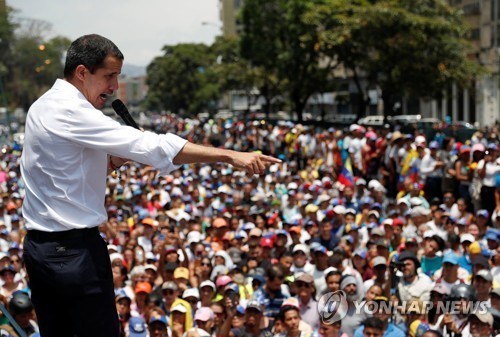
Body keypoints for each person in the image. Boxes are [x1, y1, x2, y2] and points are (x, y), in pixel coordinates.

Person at [20, 34, 280, 337]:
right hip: (74, 254)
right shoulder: (72, 110)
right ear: (82, 72)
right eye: (109, 76)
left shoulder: (42, 106)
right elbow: (153, 146)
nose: (114, 87)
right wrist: (229, 155)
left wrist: (116, 161)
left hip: (40, 250)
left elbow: (68, 175)